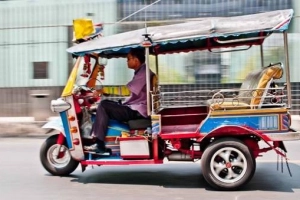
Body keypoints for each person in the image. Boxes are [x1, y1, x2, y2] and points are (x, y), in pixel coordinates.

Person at [84, 48, 154, 153]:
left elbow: (126, 90)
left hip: (138, 110)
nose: (127, 61)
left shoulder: (143, 73)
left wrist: (103, 90)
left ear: (136, 60)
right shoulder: (140, 72)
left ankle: (99, 144)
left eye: (129, 59)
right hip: (135, 106)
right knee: (106, 103)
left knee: (103, 105)